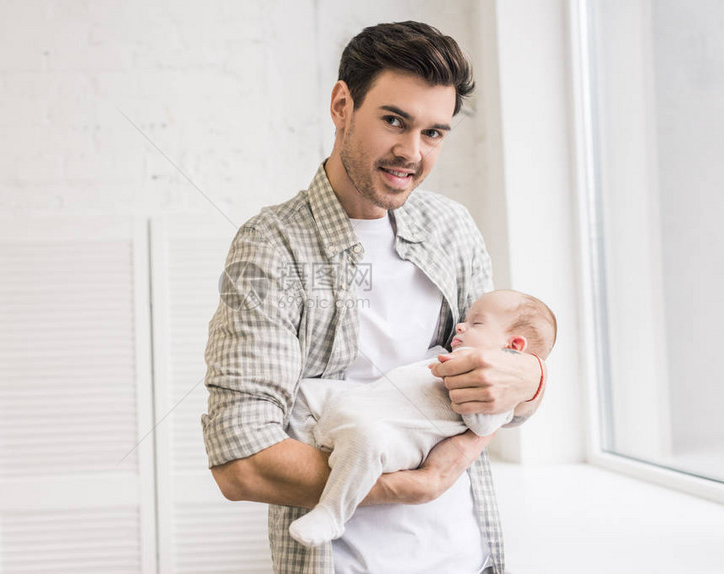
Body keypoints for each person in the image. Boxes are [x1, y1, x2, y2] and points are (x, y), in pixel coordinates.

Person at [202, 21, 545, 574]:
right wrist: (412, 486)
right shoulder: (272, 247)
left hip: (472, 559)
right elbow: (241, 462)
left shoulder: (451, 228)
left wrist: (531, 380)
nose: (411, 152)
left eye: (434, 133)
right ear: (342, 105)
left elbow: (506, 395)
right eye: (394, 121)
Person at [287, 290, 557, 548]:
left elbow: (483, 425)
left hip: (395, 436)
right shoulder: (449, 353)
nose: (461, 326)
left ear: (512, 347)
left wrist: (474, 385)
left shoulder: (496, 395)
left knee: (366, 441)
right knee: (303, 392)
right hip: (362, 401)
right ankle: (317, 441)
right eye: (465, 320)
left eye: (476, 323)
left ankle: (332, 514)